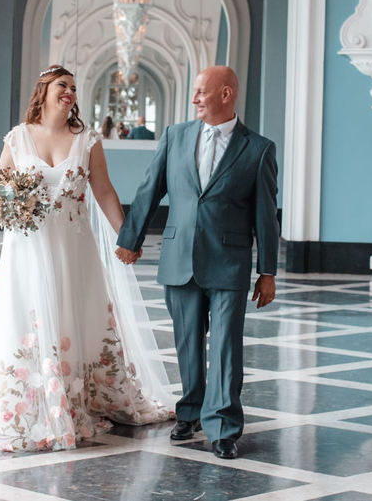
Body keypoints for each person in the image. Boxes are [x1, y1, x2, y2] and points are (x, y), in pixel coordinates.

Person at [0, 65, 172, 452]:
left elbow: (105, 192)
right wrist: (9, 207)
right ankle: (27, 399)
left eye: (75, 89)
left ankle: (79, 394)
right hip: (26, 251)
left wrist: (128, 236)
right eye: (64, 86)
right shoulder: (18, 138)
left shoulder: (87, 141)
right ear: (43, 89)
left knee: (73, 314)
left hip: (72, 248)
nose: (70, 93)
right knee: (25, 317)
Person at [116, 66, 278, 460]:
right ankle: (189, 411)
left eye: (201, 92)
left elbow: (266, 215)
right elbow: (149, 190)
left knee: (225, 346)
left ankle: (223, 427)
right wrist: (130, 240)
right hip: (179, 256)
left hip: (229, 263)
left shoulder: (258, 149)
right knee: (187, 342)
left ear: (226, 94)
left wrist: (268, 272)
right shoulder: (175, 136)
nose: (195, 100)